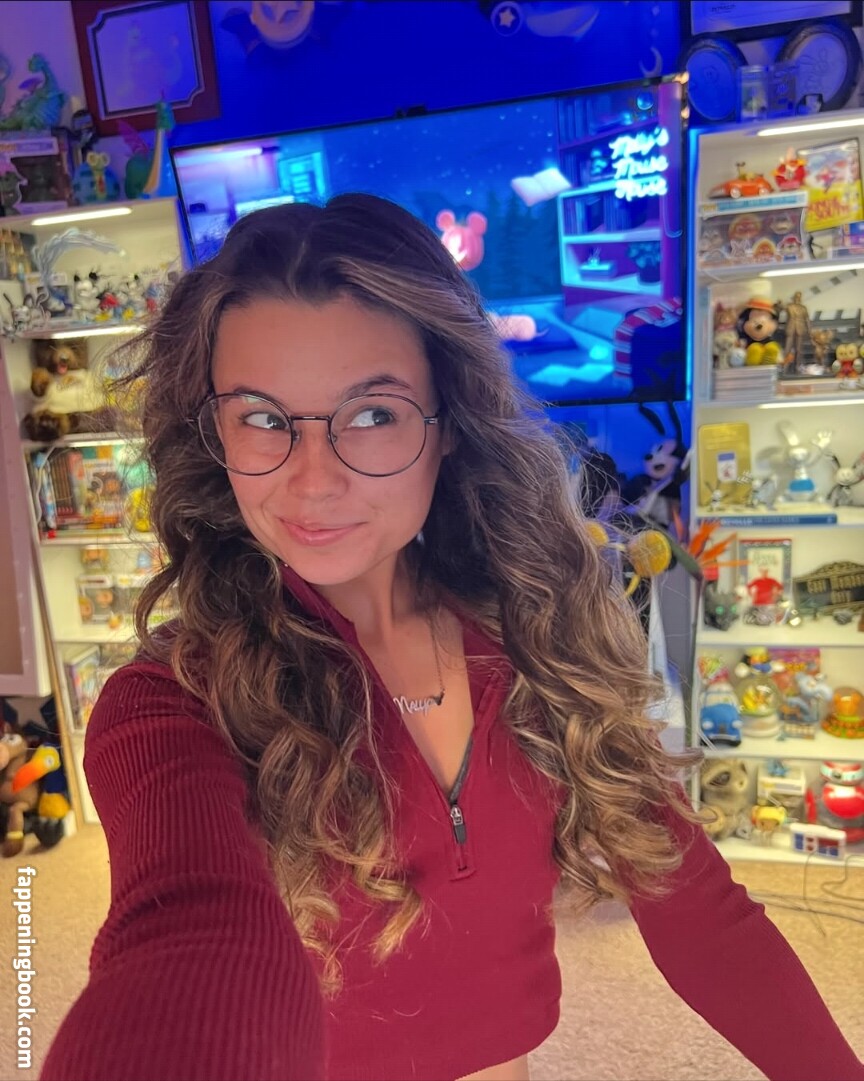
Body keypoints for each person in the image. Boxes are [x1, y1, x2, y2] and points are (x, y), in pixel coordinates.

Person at [41, 195, 863, 1081]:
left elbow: (694, 900)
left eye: (373, 414)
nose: (313, 483)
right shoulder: (171, 701)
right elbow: (185, 941)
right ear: (213, 433)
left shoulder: (537, 627)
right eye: (265, 418)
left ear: (450, 425)